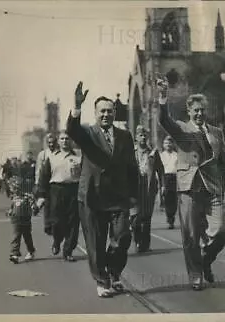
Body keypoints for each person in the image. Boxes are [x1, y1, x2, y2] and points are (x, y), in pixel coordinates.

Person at [157, 77, 225, 291]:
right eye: (196, 111)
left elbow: (224, 163)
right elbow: (164, 121)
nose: (199, 114)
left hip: (212, 188)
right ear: (189, 111)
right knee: (191, 235)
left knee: (219, 232)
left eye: (202, 110)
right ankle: (195, 274)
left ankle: (204, 261)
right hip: (188, 188)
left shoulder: (217, 132)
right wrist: (163, 97)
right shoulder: (181, 129)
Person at [66, 81, 139, 298]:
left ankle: (114, 272)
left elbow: (132, 167)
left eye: (109, 111)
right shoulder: (87, 133)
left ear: (115, 112)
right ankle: (102, 279)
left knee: (123, 236)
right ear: (95, 113)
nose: (106, 115)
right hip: (92, 196)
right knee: (95, 243)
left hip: (119, 197)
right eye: (102, 111)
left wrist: (134, 199)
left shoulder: (125, 136)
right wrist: (76, 106)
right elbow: (72, 130)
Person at [37, 131, 81, 262]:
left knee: (73, 223)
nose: (65, 141)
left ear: (71, 141)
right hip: (56, 191)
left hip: (73, 190)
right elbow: (44, 177)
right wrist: (41, 195)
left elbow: (84, 176)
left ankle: (68, 251)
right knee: (57, 221)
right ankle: (57, 241)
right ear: (59, 141)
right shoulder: (52, 157)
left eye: (67, 139)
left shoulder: (78, 157)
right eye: (62, 139)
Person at [132, 125, 164, 253]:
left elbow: (160, 170)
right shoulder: (131, 152)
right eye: (140, 135)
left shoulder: (153, 153)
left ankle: (145, 245)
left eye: (145, 135)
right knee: (135, 217)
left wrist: (163, 186)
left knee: (146, 217)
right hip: (135, 186)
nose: (143, 137)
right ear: (136, 137)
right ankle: (137, 240)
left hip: (149, 186)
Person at [6, 174, 40, 264]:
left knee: (27, 237)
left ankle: (31, 250)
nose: (14, 191)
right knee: (16, 237)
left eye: (15, 188)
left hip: (26, 221)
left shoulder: (27, 196)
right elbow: (12, 206)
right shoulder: (13, 198)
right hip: (16, 221)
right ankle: (14, 254)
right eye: (13, 189)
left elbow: (33, 204)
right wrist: (9, 212)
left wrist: (34, 208)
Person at [35, 134, 60, 235]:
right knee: (47, 204)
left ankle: (55, 224)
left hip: (55, 181)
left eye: (53, 142)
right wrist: (37, 183)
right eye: (49, 142)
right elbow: (38, 169)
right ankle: (47, 225)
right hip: (45, 182)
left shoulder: (59, 152)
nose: (51, 144)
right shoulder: (43, 154)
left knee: (56, 204)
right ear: (47, 143)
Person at [160, 135, 178, 229]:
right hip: (165, 177)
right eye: (166, 143)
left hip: (175, 178)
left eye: (170, 142)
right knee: (167, 199)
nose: (168, 145)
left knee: (174, 199)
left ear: (173, 144)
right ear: (163, 145)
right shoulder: (161, 155)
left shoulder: (176, 155)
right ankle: (169, 219)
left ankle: (172, 217)